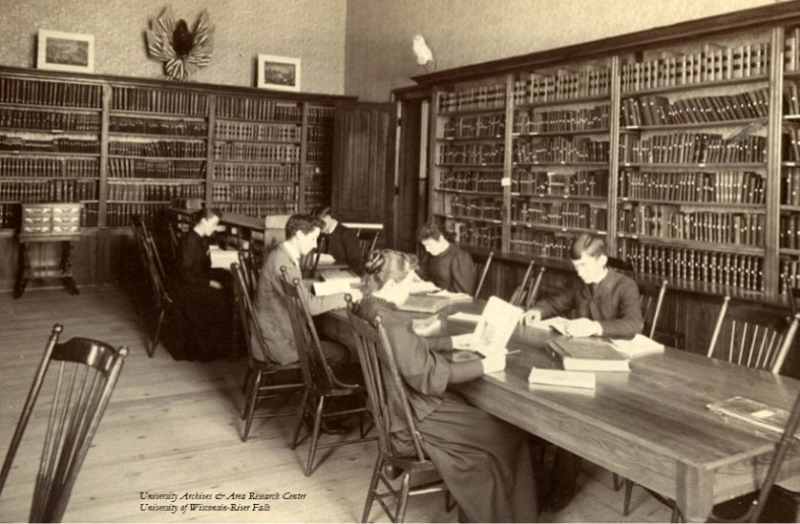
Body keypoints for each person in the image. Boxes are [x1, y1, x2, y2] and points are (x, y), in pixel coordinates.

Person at [354, 249, 538, 523]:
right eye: (410, 282)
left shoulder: (370, 307)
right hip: (416, 418)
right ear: (392, 284)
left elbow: (404, 351)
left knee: (488, 429)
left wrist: (453, 342)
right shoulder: (390, 322)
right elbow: (426, 375)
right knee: (509, 434)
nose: (414, 287)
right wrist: (487, 366)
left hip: (398, 411)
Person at [522, 233, 643, 513]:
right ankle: (531, 481)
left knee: (570, 410)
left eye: (584, 267)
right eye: (576, 267)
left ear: (602, 260)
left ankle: (560, 488)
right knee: (536, 390)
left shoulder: (624, 286)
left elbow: (634, 324)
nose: (579, 273)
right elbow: (556, 303)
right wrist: (537, 311)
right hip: (579, 362)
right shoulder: (580, 282)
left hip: (613, 374)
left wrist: (595, 327)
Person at [253, 213, 361, 367]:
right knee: (341, 352)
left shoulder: (279, 254)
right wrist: (345, 297)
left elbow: (295, 286)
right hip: (280, 344)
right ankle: (316, 389)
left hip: (272, 335)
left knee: (326, 338)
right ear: (298, 235)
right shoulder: (284, 265)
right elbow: (310, 306)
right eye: (312, 239)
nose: (315, 245)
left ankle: (312, 383)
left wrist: (313, 285)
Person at [168, 208, 234, 361]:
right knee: (220, 299)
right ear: (203, 221)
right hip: (184, 288)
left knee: (226, 278)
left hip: (193, 280)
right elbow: (186, 274)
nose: (215, 228)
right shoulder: (191, 241)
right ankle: (212, 349)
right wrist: (210, 282)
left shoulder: (201, 238)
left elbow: (203, 266)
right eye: (214, 224)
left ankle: (224, 344)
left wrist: (223, 273)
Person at [417, 220, 477, 294]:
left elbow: (464, 294)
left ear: (441, 239)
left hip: (451, 302)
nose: (427, 249)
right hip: (432, 296)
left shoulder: (459, 257)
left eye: (429, 245)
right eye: (424, 246)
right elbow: (423, 275)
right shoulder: (430, 253)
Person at [310, 205, 365, 275]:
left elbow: (357, 263)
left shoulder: (347, 234)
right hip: (325, 271)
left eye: (319, 223)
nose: (317, 226)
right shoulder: (322, 234)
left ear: (328, 218)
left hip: (343, 273)